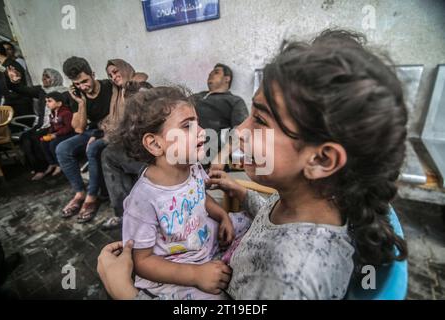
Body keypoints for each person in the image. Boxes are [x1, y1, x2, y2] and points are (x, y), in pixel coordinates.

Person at [97, 29, 408, 300]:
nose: (239, 132)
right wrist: (243, 196)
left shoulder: (290, 282)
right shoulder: (310, 196)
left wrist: (125, 293)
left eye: (259, 120)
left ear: (322, 159)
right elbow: (273, 226)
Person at [112, 86, 251, 299]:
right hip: (178, 268)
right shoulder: (143, 201)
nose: (203, 132)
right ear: (155, 144)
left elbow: (200, 198)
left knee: (251, 221)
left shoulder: (192, 167)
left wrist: (222, 216)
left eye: (198, 123)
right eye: (187, 126)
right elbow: (142, 262)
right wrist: (195, 275)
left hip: (205, 241)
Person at [56, 56, 112, 223]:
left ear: (93, 74)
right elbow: (79, 128)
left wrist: (99, 134)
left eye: (85, 81)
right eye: (78, 84)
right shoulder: (78, 95)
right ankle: (80, 192)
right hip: (92, 131)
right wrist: (81, 103)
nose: (83, 86)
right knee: (62, 149)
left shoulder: (109, 88)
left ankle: (92, 197)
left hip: (110, 132)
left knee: (92, 148)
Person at [100, 71, 152, 231]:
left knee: (109, 154)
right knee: (108, 152)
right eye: (110, 74)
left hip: (154, 153)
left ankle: (127, 214)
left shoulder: (144, 92)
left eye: (116, 71)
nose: (114, 76)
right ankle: (126, 213)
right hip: (140, 146)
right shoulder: (119, 95)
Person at [6, 67, 70, 180]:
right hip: (41, 125)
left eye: (47, 77)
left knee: (37, 138)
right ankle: (38, 168)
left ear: (55, 78)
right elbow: (21, 89)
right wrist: (14, 81)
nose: (44, 79)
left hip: (54, 125)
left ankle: (48, 165)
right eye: (43, 77)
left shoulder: (64, 93)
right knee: (25, 138)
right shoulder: (42, 91)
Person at [191, 63, 248, 163]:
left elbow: (242, 130)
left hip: (211, 155)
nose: (211, 74)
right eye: (210, 73)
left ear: (227, 79)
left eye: (216, 72)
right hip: (185, 149)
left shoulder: (234, 101)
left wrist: (222, 156)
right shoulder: (197, 97)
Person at [39, 91, 75, 178]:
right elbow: (52, 126)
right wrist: (50, 134)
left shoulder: (66, 113)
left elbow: (69, 127)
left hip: (68, 134)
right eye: (46, 101)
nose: (47, 103)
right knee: (43, 143)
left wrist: (56, 134)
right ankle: (52, 163)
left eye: (50, 101)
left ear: (59, 103)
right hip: (58, 134)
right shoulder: (52, 114)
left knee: (53, 144)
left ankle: (60, 164)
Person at [0, 41, 32, 117]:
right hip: (11, 105)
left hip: (20, 106)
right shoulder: (2, 66)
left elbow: (17, 85)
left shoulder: (11, 65)